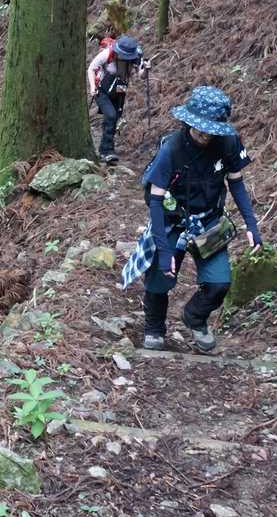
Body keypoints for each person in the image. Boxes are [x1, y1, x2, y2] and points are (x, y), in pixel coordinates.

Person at [120, 86, 262, 352]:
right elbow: (155, 201)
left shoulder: (228, 143)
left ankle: (195, 317)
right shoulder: (172, 149)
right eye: (199, 130)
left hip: (209, 221)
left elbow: (237, 184)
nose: (205, 136)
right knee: (160, 277)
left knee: (220, 282)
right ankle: (154, 327)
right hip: (173, 220)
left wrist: (251, 226)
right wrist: (164, 251)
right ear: (188, 122)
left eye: (210, 131)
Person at [87, 34, 147, 164]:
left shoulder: (136, 56)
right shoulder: (107, 54)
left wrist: (146, 70)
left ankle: (106, 149)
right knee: (111, 115)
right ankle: (106, 151)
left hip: (120, 90)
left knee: (114, 118)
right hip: (101, 90)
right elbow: (91, 68)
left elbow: (141, 75)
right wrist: (92, 87)